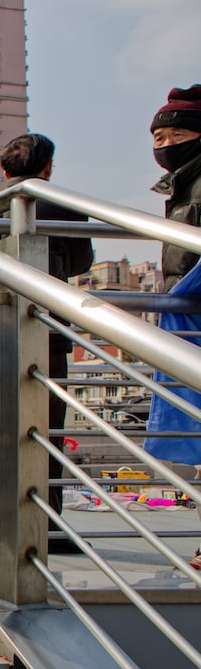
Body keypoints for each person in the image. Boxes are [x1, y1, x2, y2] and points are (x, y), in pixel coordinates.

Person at [0, 134, 94, 550]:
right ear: (47, 168)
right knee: (46, 430)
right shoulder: (63, 207)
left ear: (4, 170)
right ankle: (46, 528)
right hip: (44, 329)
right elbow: (81, 262)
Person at [143, 84, 201, 571]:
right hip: (186, 316)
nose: (165, 144)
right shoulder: (183, 184)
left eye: (176, 133)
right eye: (158, 136)